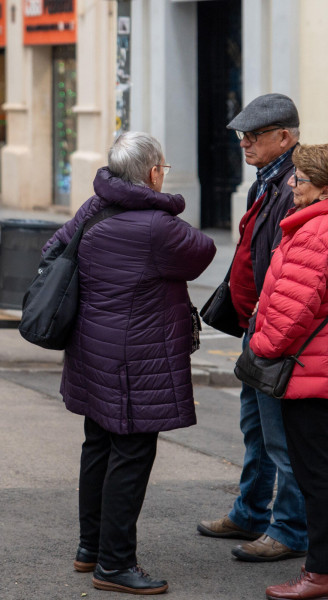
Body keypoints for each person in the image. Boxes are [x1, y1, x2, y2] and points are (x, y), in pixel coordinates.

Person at [43, 132, 215, 594]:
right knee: (132, 453)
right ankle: (115, 565)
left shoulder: (93, 208)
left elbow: (52, 250)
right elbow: (203, 252)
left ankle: (91, 549)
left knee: (98, 444)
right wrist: (165, 205)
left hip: (92, 350)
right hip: (136, 357)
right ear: (154, 173)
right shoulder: (157, 228)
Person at [197, 93, 308, 563]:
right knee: (255, 428)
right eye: (242, 135)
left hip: (278, 331)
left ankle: (289, 529)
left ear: (284, 137)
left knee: (281, 437)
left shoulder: (295, 186)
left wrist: (269, 324)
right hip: (258, 327)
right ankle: (250, 511)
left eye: (255, 135)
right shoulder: (265, 181)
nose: (244, 142)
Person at [249, 144, 328, 600]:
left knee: (315, 474)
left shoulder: (315, 230)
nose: (292, 185)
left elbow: (291, 311)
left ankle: (319, 573)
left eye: (299, 178)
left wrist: (260, 349)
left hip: (310, 374)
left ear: (320, 185)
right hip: (317, 367)